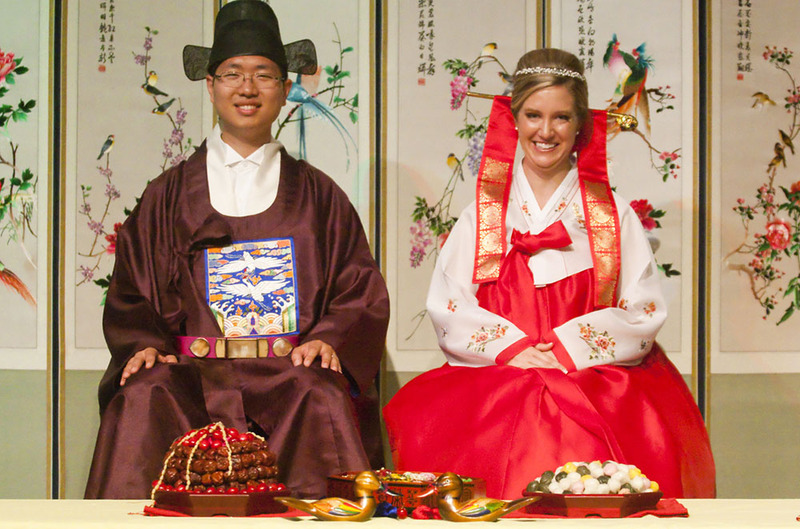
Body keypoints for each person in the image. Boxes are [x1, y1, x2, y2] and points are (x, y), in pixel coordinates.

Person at [85, 0, 389, 499]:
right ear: (210, 86)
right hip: (189, 373)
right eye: (232, 74)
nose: (247, 89)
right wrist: (142, 344)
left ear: (284, 87)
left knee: (321, 392)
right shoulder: (165, 195)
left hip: (289, 376)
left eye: (264, 75)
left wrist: (330, 336)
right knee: (142, 394)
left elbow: (359, 289)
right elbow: (130, 293)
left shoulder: (320, 195)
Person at [383, 48, 715, 499]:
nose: (545, 131)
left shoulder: (611, 215)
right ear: (513, 118)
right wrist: (514, 348)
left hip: (590, 371)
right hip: (502, 369)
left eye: (561, 117)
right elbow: (448, 303)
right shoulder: (482, 216)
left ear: (581, 123)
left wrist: (565, 349)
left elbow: (645, 308)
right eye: (532, 115)